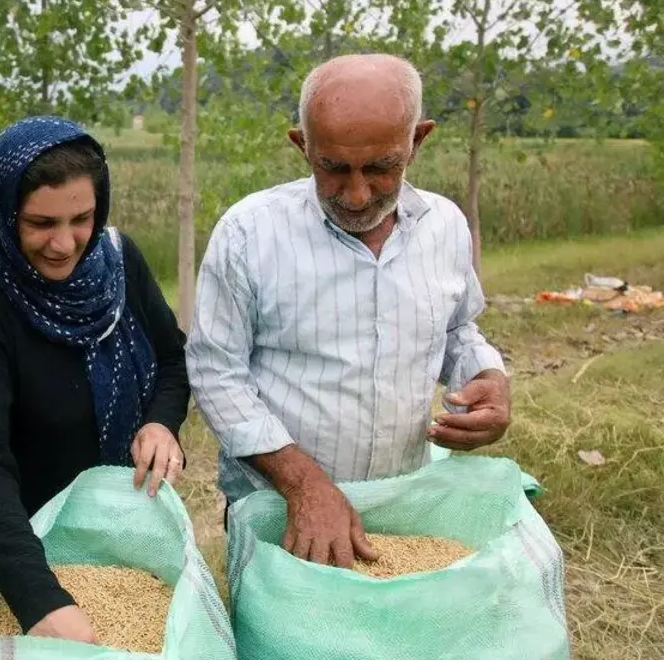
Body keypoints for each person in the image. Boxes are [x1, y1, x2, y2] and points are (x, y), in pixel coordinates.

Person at [186, 53, 511, 569]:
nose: (357, 195)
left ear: (417, 141)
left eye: (382, 168)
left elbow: (457, 329)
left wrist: (487, 375)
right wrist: (303, 486)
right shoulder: (249, 233)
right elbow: (214, 371)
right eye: (332, 168)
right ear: (302, 146)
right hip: (278, 510)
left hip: (399, 502)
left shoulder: (444, 226)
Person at [0, 116, 189, 644]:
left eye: (82, 218)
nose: (64, 242)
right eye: (40, 223)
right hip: (28, 545)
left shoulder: (120, 263)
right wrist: (41, 602)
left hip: (125, 535)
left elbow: (173, 360)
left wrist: (161, 424)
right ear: (5, 216)